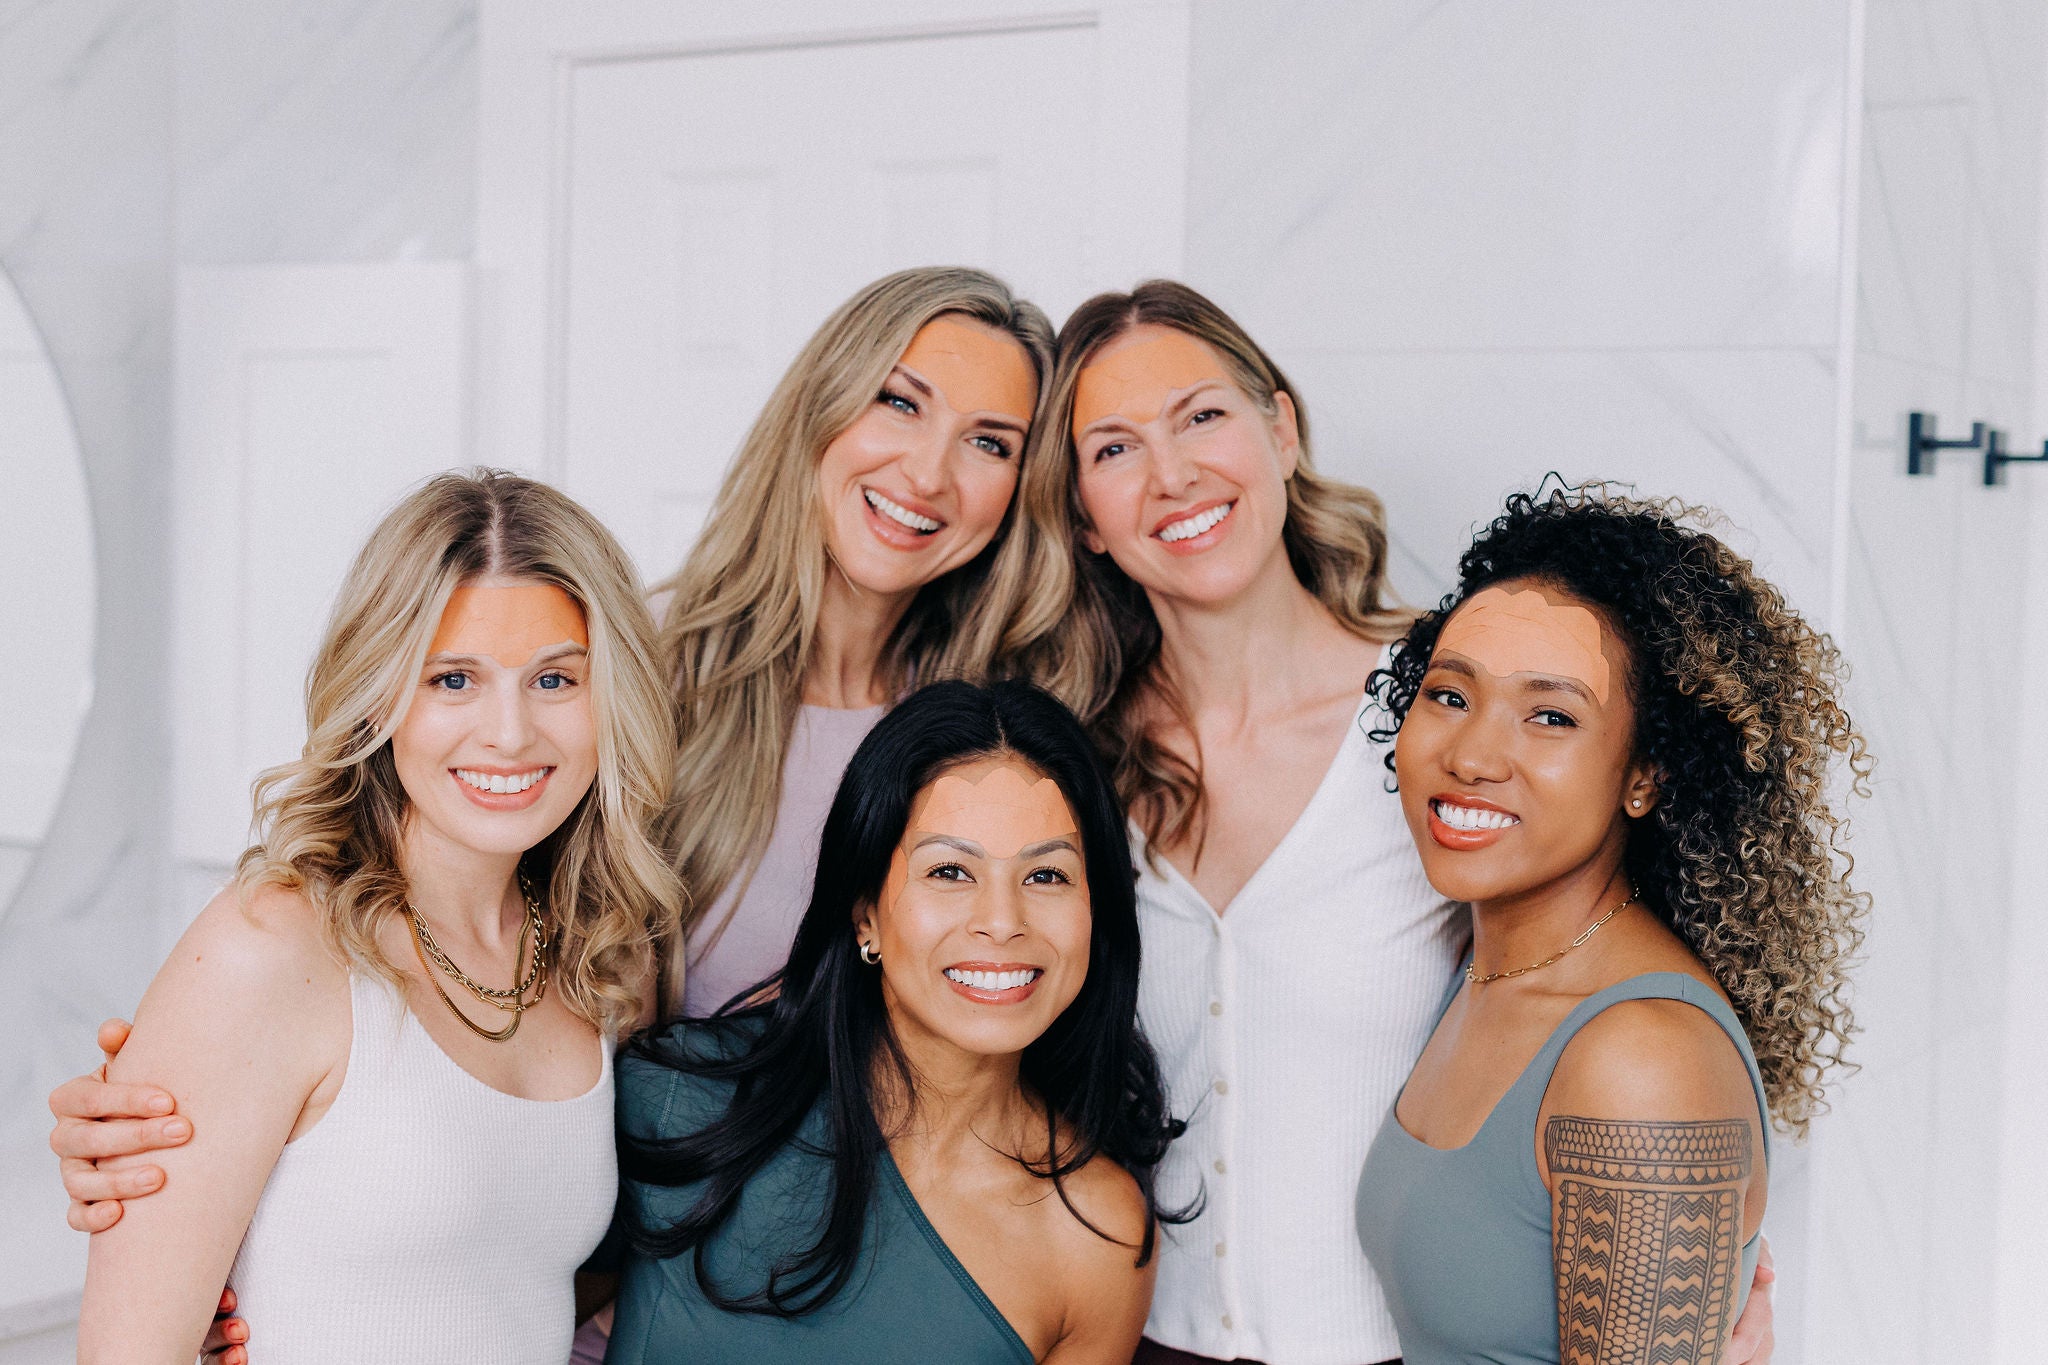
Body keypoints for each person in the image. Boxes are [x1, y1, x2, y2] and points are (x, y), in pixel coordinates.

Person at [52, 266, 1066, 1361]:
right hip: (653, 1320)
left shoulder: (1000, 749)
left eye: (990, 440)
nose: (927, 469)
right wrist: (182, 1168)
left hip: (870, 1293)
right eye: (898, 401)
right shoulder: (632, 682)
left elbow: (524, 1188)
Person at [1019, 281, 1776, 1365]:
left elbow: (1608, 977)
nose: (1172, 472)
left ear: (1279, 430)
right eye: (1112, 449)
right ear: (1082, 518)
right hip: (1135, 1341)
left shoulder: (1447, 720)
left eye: (1200, 416)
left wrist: (1677, 1301)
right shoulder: (1070, 760)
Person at [74, 470, 684, 1363]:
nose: (510, 733)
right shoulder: (273, 947)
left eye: (555, 678)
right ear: (379, 694)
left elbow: (511, 1276)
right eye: (453, 679)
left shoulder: (600, 963)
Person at [1354, 486, 1866, 1364]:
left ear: (1645, 776)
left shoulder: (1641, 1058)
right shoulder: (1489, 969)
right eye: (1448, 695)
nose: (1471, 755)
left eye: (1551, 715)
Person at [598, 679, 1181, 1363]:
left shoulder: (1097, 1233)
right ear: (865, 910)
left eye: (1046, 876)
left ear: (1097, 912)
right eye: (950, 871)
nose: (1001, 920)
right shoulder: (674, 1102)